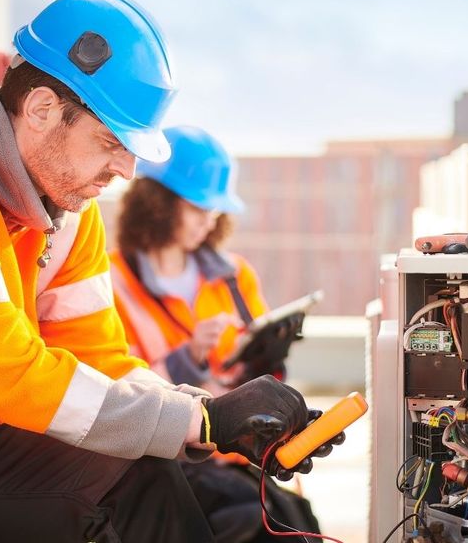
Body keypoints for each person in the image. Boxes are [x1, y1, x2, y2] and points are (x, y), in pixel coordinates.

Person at [0, 0, 337, 541]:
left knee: (145, 466)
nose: (128, 169)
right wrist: (199, 421)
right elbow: (7, 372)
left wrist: (216, 416)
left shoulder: (66, 213)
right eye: (112, 141)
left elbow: (101, 362)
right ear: (41, 110)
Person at [110, 125, 325, 542]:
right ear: (157, 203)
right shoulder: (111, 280)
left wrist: (267, 360)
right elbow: (115, 391)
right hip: (168, 465)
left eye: (214, 211)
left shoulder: (235, 276)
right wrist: (187, 357)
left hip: (238, 461)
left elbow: (258, 373)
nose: (208, 222)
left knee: (298, 526)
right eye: (197, 207)